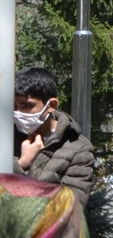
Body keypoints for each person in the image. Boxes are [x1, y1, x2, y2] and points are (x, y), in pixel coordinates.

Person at [14, 65, 95, 205]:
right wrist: (21, 164)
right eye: (14, 106)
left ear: (51, 105)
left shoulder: (78, 149)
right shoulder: (2, 138)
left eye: (26, 105)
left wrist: (19, 172)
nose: (18, 113)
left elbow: (71, 208)